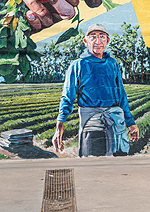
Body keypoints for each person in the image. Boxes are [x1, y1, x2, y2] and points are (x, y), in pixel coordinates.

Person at [52, 24, 139, 156]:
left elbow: (121, 95)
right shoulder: (78, 65)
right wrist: (59, 129)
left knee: (119, 162)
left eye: (102, 37)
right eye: (93, 37)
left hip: (115, 121)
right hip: (91, 123)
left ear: (107, 41)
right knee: (92, 161)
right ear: (86, 41)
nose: (98, 41)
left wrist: (130, 123)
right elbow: (67, 97)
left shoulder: (112, 63)